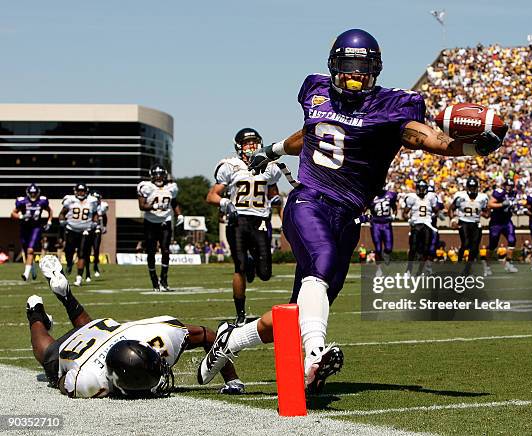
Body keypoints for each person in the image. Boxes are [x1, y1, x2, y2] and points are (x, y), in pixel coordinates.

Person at [197, 29, 505, 393]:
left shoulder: (392, 107)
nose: (354, 76)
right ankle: (314, 355)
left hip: (347, 216)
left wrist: (469, 150)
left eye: (362, 69)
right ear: (334, 67)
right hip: (308, 199)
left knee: (301, 313)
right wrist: (276, 149)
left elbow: (428, 139)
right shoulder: (316, 90)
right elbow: (312, 131)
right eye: (347, 67)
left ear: (375, 70)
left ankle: (228, 343)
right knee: (321, 264)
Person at [25, 255, 243, 398]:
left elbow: (210, 336)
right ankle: (35, 310)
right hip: (85, 344)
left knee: (90, 328)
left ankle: (66, 297)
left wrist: (232, 380)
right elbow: (65, 383)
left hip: (101, 333)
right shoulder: (89, 380)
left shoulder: (163, 338)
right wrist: (231, 379)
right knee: (49, 357)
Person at [206, 128, 283, 326]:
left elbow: (274, 192)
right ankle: (240, 314)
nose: (252, 146)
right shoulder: (229, 166)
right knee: (239, 267)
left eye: (255, 142)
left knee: (265, 274)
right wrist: (225, 204)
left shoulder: (269, 165)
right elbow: (212, 195)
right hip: (238, 220)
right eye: (248, 143)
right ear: (239, 146)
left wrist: (277, 204)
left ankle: (252, 263)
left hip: (261, 221)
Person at [137, 165, 184, 292]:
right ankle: (154, 279)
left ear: (165, 175)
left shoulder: (171, 187)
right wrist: (152, 206)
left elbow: (174, 202)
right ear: (152, 175)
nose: (158, 177)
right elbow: (142, 206)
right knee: (151, 251)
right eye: (156, 174)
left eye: (160, 174)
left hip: (165, 221)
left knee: (165, 250)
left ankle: (164, 279)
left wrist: (179, 214)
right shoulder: (145, 186)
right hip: (150, 222)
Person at [58, 183, 99, 287]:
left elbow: (95, 214)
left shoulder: (92, 201)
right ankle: (69, 263)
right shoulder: (69, 200)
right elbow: (62, 213)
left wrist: (95, 223)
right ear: (75, 191)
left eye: (83, 191)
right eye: (79, 191)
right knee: (69, 251)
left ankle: (79, 278)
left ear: (86, 191)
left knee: (82, 253)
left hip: (85, 231)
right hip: (71, 229)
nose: (81, 193)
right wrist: (62, 221)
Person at [11, 183, 53, 281]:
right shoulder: (22, 201)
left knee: (30, 250)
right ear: (28, 193)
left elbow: (50, 210)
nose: (33, 195)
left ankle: (26, 274)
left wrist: (49, 221)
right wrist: (20, 216)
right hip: (24, 227)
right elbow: (13, 213)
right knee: (26, 249)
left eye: (34, 193)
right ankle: (32, 268)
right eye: (31, 193)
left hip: (36, 227)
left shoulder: (42, 201)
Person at [448, 177, 490, 275]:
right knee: (466, 243)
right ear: (467, 188)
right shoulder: (460, 196)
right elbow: (451, 209)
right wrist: (453, 220)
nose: (472, 190)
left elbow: (487, 212)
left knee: (474, 247)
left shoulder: (482, 197)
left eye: (474, 187)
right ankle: (459, 261)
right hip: (464, 222)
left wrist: (484, 214)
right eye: (470, 187)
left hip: (476, 223)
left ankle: (467, 268)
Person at [403, 179, 440, 274]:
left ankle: (420, 271)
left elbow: (437, 210)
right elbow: (405, 213)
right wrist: (409, 220)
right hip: (416, 225)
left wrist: (435, 213)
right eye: (420, 188)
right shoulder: (412, 197)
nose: (422, 190)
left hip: (427, 225)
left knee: (426, 249)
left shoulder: (431, 197)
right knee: (413, 248)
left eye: (423, 188)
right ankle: (409, 269)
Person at [486, 178, 518, 273]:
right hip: (496, 222)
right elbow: (490, 204)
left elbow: (513, 205)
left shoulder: (513, 193)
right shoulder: (499, 192)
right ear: (504, 185)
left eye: (511, 186)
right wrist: (502, 204)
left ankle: (508, 263)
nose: (509, 188)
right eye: (508, 185)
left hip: (507, 221)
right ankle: (487, 265)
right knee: (493, 245)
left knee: (512, 240)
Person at [368, 188, 397, 267]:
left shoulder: (391, 195)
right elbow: (364, 209)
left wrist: (394, 215)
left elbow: (394, 207)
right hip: (375, 224)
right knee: (378, 249)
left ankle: (386, 256)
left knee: (388, 248)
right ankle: (379, 268)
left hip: (386, 223)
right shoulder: (370, 196)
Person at [85, 191, 108, 281]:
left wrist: (105, 226)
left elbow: (104, 216)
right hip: (87, 229)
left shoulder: (102, 206)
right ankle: (87, 273)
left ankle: (95, 266)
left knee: (96, 248)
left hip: (97, 229)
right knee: (86, 251)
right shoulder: (87, 205)